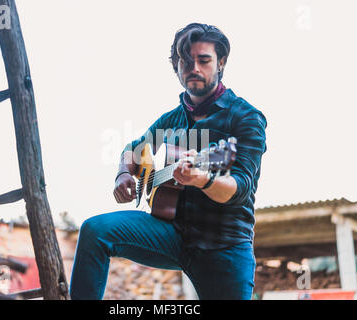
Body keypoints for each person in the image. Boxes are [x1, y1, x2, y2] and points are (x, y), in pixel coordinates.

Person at [69, 23, 267, 300]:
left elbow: (240, 187)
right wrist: (123, 175)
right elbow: (132, 150)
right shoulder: (171, 120)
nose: (193, 67)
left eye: (203, 60)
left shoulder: (245, 117)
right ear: (176, 66)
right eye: (185, 61)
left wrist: (203, 179)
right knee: (94, 231)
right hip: (170, 235)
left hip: (224, 248)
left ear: (221, 63)